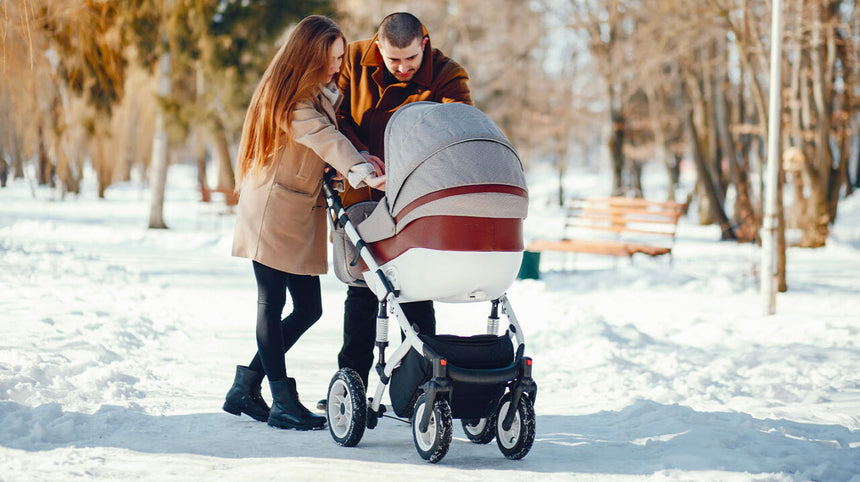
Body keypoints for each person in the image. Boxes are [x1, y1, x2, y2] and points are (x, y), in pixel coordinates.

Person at [222, 15, 385, 431]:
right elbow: (324, 139)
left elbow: (316, 151)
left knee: (309, 308)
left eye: (340, 57)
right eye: (332, 58)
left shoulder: (316, 94)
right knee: (271, 303)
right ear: (310, 55)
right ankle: (281, 399)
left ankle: (246, 386)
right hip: (272, 213)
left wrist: (352, 165)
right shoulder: (291, 99)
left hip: (293, 211)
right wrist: (361, 169)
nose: (338, 66)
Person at [318, 12, 472, 409]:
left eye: (411, 61)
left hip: (419, 198)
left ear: (424, 41)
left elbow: (459, 128)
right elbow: (335, 120)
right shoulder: (351, 61)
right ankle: (348, 386)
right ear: (378, 47)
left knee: (417, 291)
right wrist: (359, 156)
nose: (403, 69)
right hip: (364, 194)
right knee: (363, 292)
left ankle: (419, 388)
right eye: (393, 61)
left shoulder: (448, 75)